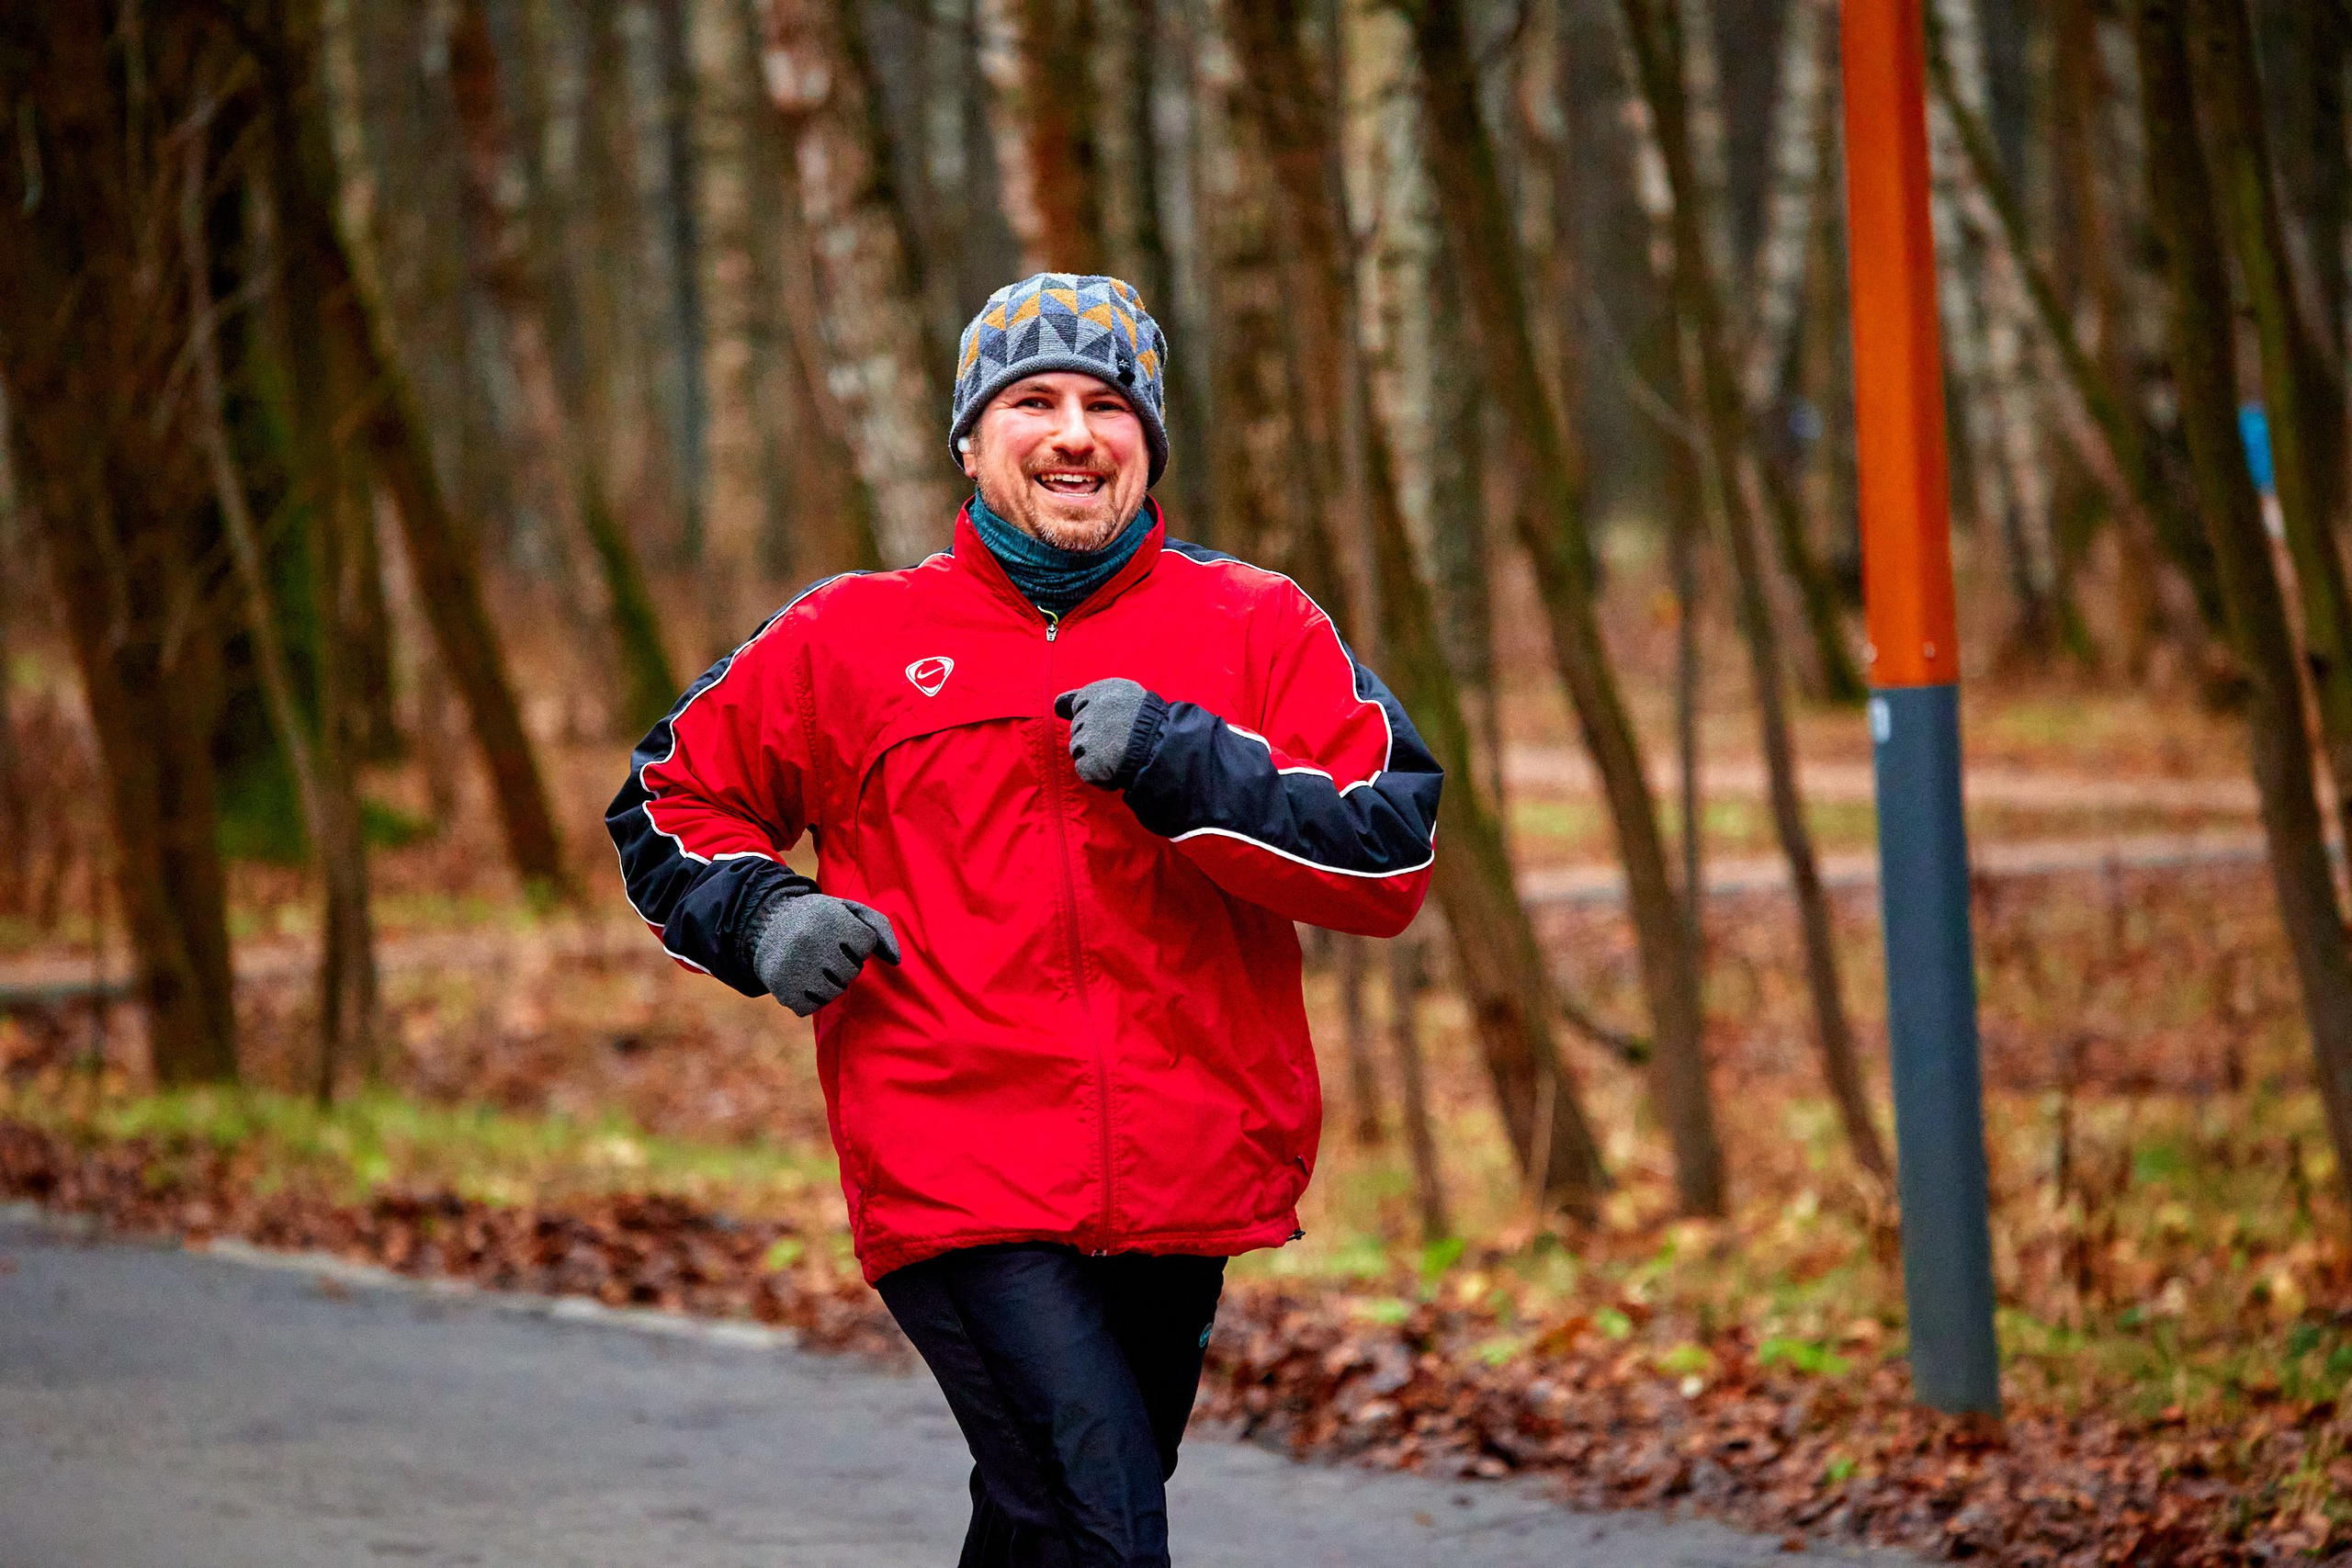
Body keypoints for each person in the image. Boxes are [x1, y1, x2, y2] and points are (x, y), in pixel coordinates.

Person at [606, 273, 1440, 1567]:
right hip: (953, 1152)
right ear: (971, 438)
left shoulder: (1255, 624)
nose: (1072, 432)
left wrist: (1183, 758)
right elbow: (667, 798)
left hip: (1187, 1164)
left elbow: (1391, 852)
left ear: (1147, 442)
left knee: (1045, 1524)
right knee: (1101, 1523)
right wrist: (762, 914)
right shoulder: (851, 638)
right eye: (1033, 401)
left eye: (1107, 405)